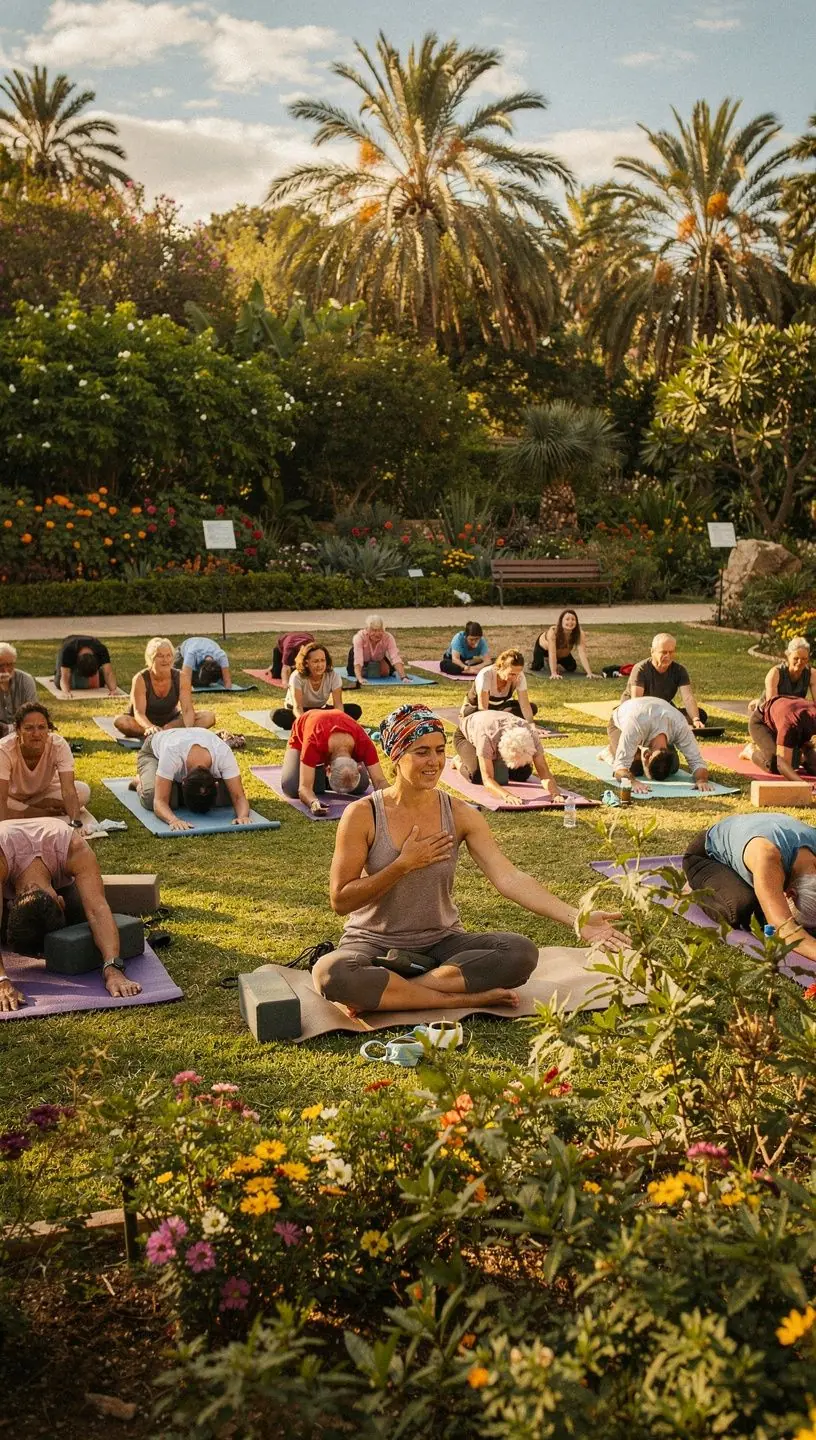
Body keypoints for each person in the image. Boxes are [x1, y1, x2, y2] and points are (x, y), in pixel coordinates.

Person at [312, 703, 627, 1014]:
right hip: (372, 944)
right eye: (421, 752)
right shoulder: (363, 815)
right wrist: (402, 865)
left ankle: (397, 991)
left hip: (441, 944)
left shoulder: (460, 813)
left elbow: (509, 878)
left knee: (520, 953)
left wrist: (577, 918)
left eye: (439, 750)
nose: (434, 761)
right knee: (332, 973)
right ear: (396, 755)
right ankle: (458, 999)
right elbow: (341, 900)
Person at [0, 817, 141, 1011]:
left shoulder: (73, 848)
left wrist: (113, 967)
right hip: (7, 859)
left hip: (56, 865)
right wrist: (2, 980)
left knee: (83, 912)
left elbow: (97, 909)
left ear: (60, 901)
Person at [683, 813, 816, 959]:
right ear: (790, 893)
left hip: (753, 833)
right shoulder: (768, 858)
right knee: (745, 909)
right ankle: (696, 885)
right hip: (706, 855)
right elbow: (783, 927)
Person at [135, 727, 251, 832]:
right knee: (151, 797)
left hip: (186, 747)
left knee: (228, 795)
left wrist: (243, 816)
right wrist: (173, 820)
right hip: (153, 753)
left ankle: (171, 786)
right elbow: (159, 802)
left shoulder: (223, 753)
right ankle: (141, 781)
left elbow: (238, 796)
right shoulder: (172, 752)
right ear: (183, 781)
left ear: (216, 783)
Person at [281, 709, 388, 817]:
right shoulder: (313, 743)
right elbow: (304, 788)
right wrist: (312, 802)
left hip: (332, 736)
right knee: (291, 787)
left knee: (362, 785)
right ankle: (319, 777)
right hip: (302, 731)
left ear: (359, 767)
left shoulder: (364, 743)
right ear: (327, 769)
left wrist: (395, 797)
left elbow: (380, 781)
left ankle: (320, 778)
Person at [601, 695, 712, 793]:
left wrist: (702, 780)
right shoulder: (636, 726)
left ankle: (632, 751)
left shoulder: (680, 726)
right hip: (619, 721)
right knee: (635, 768)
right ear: (647, 755)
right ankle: (609, 751)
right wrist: (632, 782)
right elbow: (620, 768)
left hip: (654, 714)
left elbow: (697, 761)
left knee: (673, 768)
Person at [0, 703, 91, 822]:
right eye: (29, 728)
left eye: (41, 727)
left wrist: (76, 823)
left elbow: (68, 790)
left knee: (83, 791)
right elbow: (1, 796)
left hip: (42, 794)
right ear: (18, 730)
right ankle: (39, 813)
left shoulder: (58, 745)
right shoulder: (4, 749)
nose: (36, 734)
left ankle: (23, 812)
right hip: (10, 797)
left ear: (48, 729)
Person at [452, 711, 563, 808]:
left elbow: (544, 773)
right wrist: (507, 795)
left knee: (523, 773)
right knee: (477, 775)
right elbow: (487, 779)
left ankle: (494, 762)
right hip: (465, 735)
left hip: (495, 733)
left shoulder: (531, 735)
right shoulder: (486, 738)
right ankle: (458, 761)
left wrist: (555, 793)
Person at [114, 638, 216, 741]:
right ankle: (157, 733)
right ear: (151, 658)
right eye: (160, 656)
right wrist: (149, 727)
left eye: (168, 655)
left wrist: (188, 730)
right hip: (143, 722)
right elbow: (139, 712)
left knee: (208, 717)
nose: (165, 660)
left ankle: (164, 732)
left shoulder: (182, 677)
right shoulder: (140, 679)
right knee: (121, 722)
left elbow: (187, 709)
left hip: (170, 722)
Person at [271, 643, 362, 732]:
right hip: (299, 712)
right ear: (306, 663)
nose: (320, 665)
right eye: (315, 661)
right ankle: (317, 724)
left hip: (320, 711)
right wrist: (307, 724)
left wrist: (337, 720)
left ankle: (320, 723)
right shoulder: (297, 677)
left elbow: (338, 705)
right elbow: (298, 707)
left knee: (354, 710)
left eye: (323, 660)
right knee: (277, 715)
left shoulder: (333, 676)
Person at [624, 633, 707, 728]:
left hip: (662, 708)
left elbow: (688, 697)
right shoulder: (640, 669)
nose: (667, 656)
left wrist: (695, 719)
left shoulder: (679, 670)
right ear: (652, 652)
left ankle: (670, 724)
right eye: (663, 652)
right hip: (639, 710)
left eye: (671, 652)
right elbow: (637, 702)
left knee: (700, 714)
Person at [743, 695, 816, 779]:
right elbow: (782, 764)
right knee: (774, 764)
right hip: (763, 722)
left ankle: (799, 758)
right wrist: (803, 786)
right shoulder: (790, 723)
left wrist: (807, 747)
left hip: (793, 722)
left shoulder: (811, 714)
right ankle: (750, 751)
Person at [460, 650, 538, 722]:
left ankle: (502, 715)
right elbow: (483, 709)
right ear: (500, 667)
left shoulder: (519, 676)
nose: (516, 677)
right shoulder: (486, 674)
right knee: (474, 717)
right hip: (476, 707)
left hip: (499, 707)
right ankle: (502, 716)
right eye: (511, 674)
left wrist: (531, 725)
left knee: (532, 708)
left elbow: (525, 705)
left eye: (518, 674)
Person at [532, 611, 597, 678]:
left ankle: (553, 662)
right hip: (544, 650)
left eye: (573, 619)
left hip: (560, 653)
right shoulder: (553, 632)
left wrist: (589, 673)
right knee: (537, 667)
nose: (570, 622)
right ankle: (548, 660)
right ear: (561, 622)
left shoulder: (579, 634)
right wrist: (554, 673)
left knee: (572, 667)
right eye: (567, 619)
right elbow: (552, 653)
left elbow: (582, 653)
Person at [348, 615, 408, 684]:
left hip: (378, 657)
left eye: (380, 630)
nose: (377, 634)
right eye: (374, 630)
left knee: (386, 672)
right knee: (353, 673)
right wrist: (360, 678)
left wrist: (403, 677)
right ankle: (364, 670)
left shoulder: (388, 637)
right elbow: (358, 659)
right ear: (367, 629)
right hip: (359, 655)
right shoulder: (359, 637)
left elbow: (395, 657)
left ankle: (373, 669)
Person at [763, 637, 816, 705]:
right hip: (773, 708)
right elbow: (771, 706)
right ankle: (757, 703)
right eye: (796, 658)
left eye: (804, 659)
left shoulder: (812, 674)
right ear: (788, 656)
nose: (800, 662)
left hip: (796, 709)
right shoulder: (775, 673)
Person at [0, 643, 36, 737]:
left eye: (9, 664)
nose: (5, 670)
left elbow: (33, 711)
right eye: (1, 665)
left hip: (22, 731)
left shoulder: (26, 680)